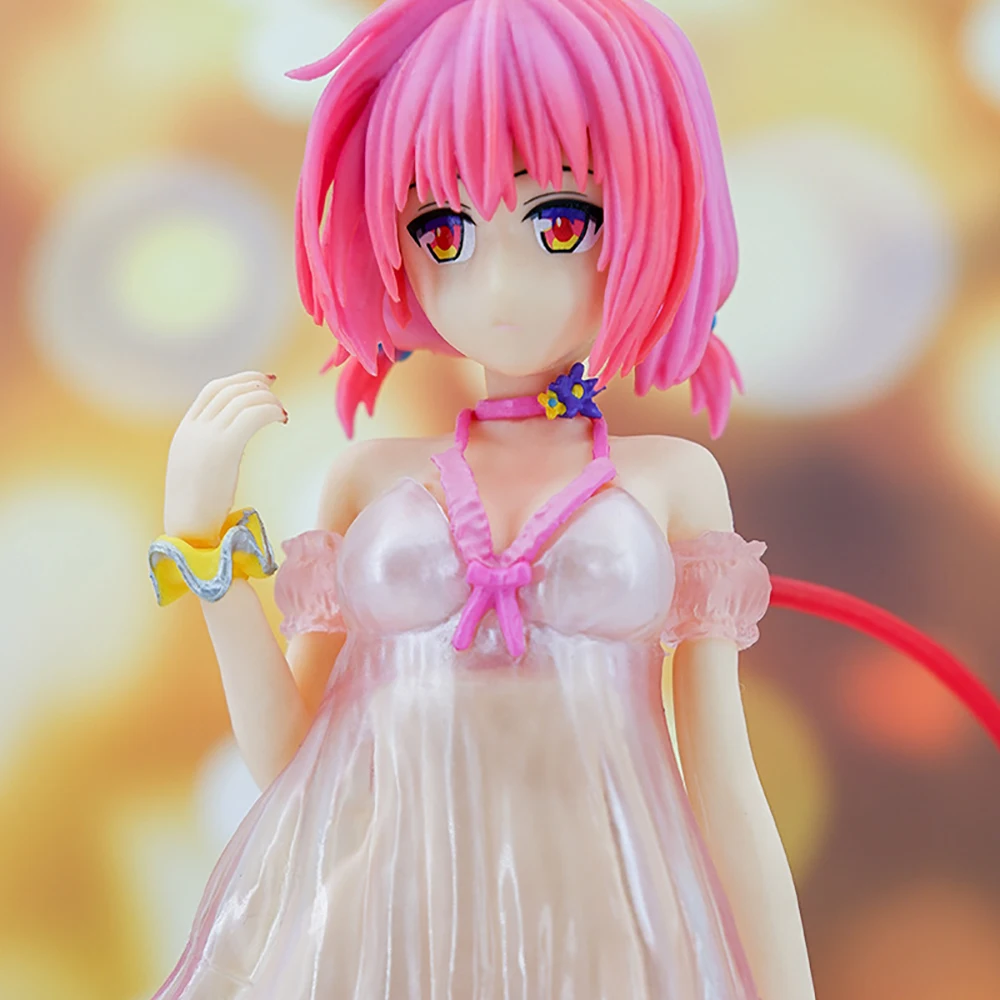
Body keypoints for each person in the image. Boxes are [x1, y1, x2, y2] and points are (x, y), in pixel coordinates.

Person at [145, 0, 1000, 997]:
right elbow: (290, 762)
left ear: (649, 209)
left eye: (558, 220)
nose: (498, 284)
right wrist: (201, 535)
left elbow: (723, 785)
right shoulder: (366, 479)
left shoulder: (669, 481)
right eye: (441, 228)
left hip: (599, 938)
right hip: (385, 939)